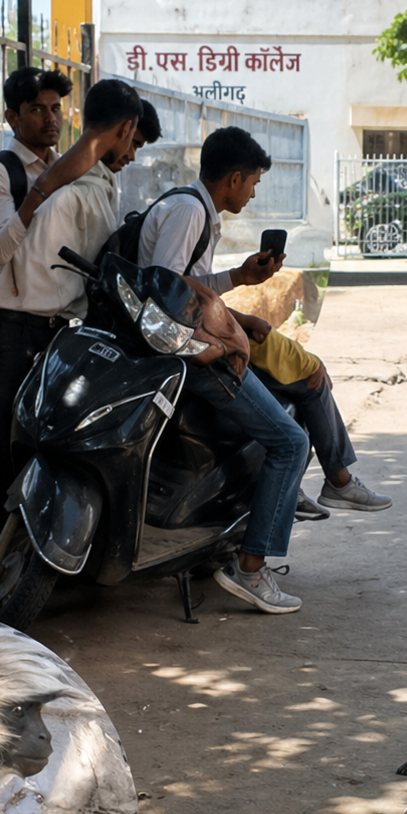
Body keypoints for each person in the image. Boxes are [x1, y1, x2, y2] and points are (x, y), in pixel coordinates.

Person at [134, 125, 318, 611]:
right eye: (253, 182)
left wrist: (239, 278)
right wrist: (224, 340)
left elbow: (189, 284)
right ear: (234, 178)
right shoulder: (189, 211)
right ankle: (251, 568)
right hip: (192, 358)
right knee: (290, 442)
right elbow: (167, 289)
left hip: (194, 348)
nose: (253, 193)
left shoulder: (195, 211)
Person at [0, 77, 141, 560]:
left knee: (43, 452)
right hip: (8, 331)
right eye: (37, 109)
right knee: (0, 455)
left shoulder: (71, 171)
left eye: (55, 109)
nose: (50, 119)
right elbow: (0, 248)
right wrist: (41, 192)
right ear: (12, 117)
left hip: (56, 334)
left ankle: (27, 566)